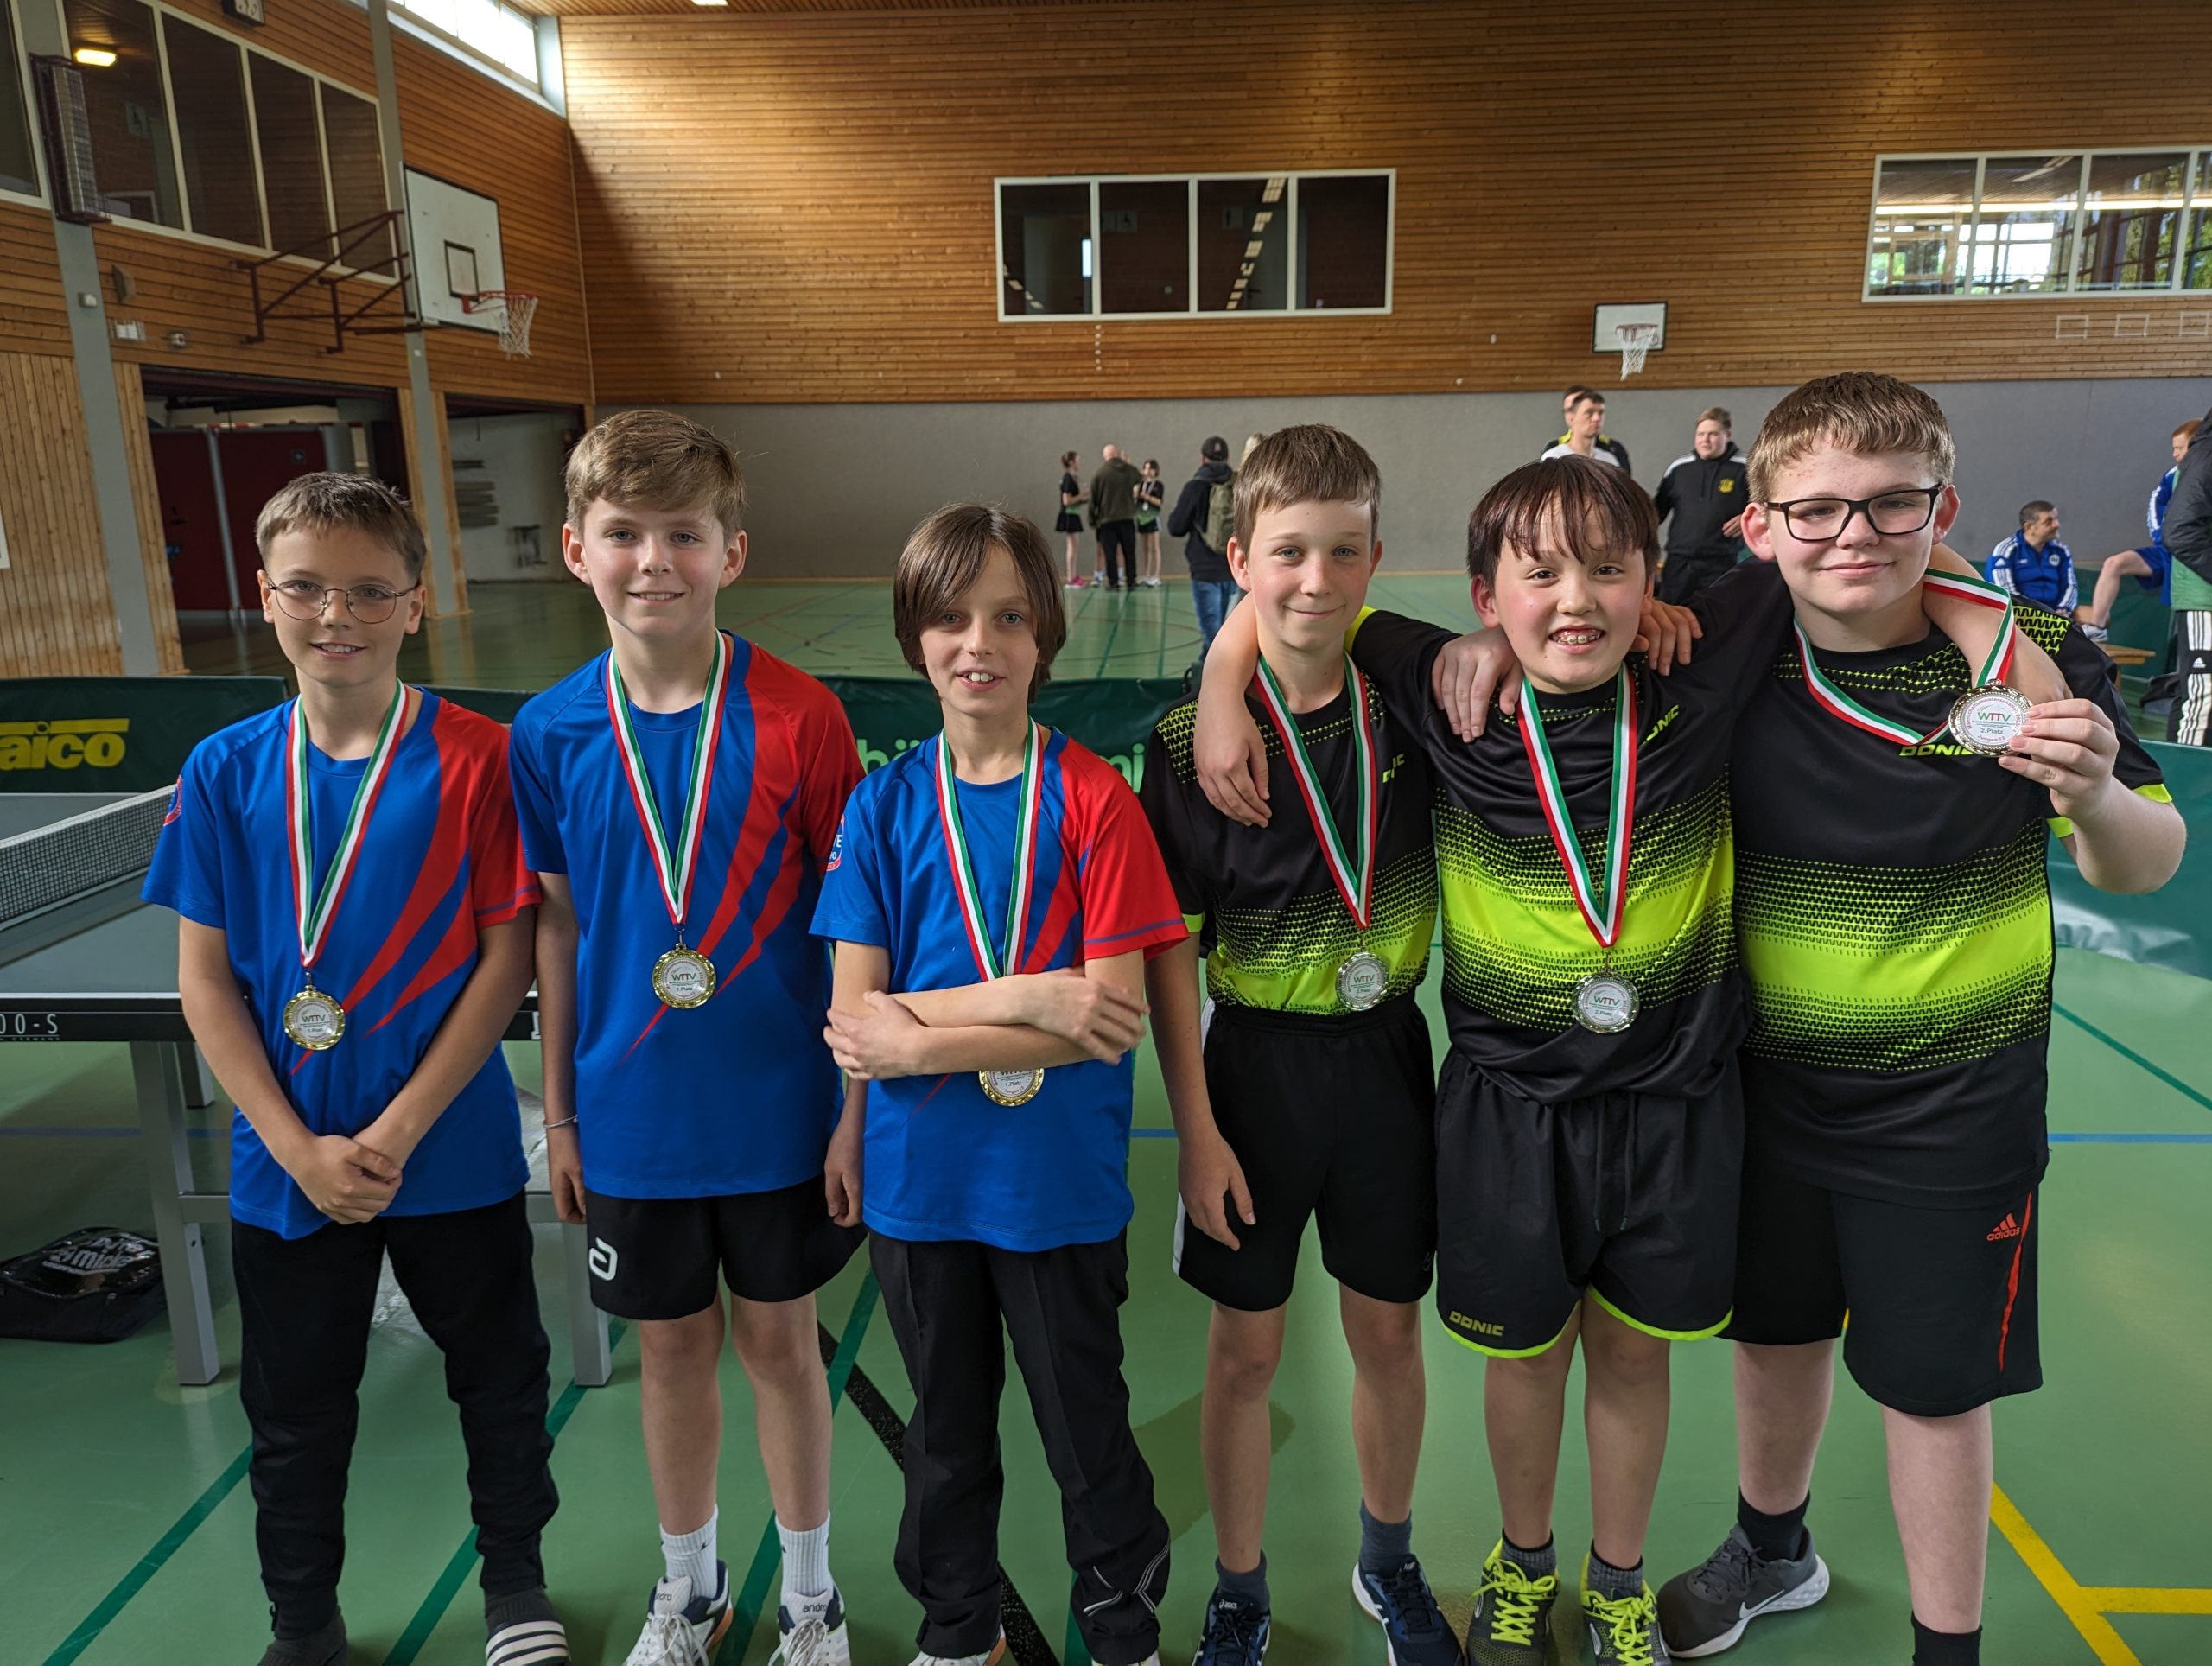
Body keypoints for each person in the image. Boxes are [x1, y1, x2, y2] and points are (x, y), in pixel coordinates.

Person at [1656, 372, 2183, 1666]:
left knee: (1935, 1390)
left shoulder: (2033, 657)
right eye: (1817, 508)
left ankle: (1947, 1649)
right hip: (1763, 1086)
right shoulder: (1729, 639)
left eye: (1893, 504)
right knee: (1774, 1336)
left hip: (1956, 1106)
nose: (1854, 534)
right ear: (1760, 523)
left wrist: (2096, 797)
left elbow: (2148, 860)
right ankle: (1771, 1549)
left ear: (1942, 509)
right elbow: (1558, 615)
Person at [145, 473, 564, 1666]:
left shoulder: (482, 760)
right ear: (265, 596)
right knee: (294, 1410)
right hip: (287, 1165)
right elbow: (205, 984)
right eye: (308, 588)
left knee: (499, 1382)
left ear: (416, 603)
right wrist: (301, 1150)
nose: (338, 613)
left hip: (451, 1150)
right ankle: (304, 1623)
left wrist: (397, 1132)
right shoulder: (223, 768)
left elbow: (506, 962)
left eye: (370, 591)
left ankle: (515, 1588)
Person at [509, 410, 865, 1666]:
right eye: (623, 533)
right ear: (575, 548)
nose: (653, 560)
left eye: (683, 534)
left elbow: (854, 928)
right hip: (630, 1116)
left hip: (779, 1108)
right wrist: (559, 1111)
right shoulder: (548, 731)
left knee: (780, 1345)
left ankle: (812, 1599)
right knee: (669, 1352)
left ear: (732, 551)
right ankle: (692, 1589)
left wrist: (853, 1108)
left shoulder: (803, 716)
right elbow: (557, 929)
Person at [812, 503, 1185, 1666]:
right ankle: (957, 1627)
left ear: (1045, 635)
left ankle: (1121, 1626)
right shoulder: (882, 807)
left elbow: (1104, 1022)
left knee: (1086, 1428)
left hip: (1054, 1182)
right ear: (914, 636)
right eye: (951, 617)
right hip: (919, 1183)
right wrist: (1028, 999)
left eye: (1009, 616)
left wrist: (918, 1035)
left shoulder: (1096, 801)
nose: (979, 642)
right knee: (945, 1432)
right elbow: (857, 1021)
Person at [1141, 426, 1459, 1666]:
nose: (1314, 580)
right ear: (1239, 560)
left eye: (1341, 552)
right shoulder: (1188, 742)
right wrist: (1195, 1131)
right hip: (1252, 1075)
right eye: (1286, 553)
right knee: (1246, 1350)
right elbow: (1171, 951)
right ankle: (1239, 1586)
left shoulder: (1420, 709)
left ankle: (1389, 1557)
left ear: (1375, 558)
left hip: (1387, 1063)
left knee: (1388, 1335)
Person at [2079, 419, 2198, 640]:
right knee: (2114, 563)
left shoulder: (2202, 477)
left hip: (2194, 557)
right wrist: (2162, 538)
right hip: (2168, 549)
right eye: (2173, 448)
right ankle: (2097, 626)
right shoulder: (2173, 475)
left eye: (2179, 448)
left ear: (2196, 446)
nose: (2174, 454)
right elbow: (2156, 503)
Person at [1651, 408, 1751, 604]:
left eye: (1713, 434)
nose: (1705, 440)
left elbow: (1767, 508)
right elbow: (1655, 514)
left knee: (1723, 616)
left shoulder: (1745, 467)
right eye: (1700, 434)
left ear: (1727, 435)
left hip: (1724, 561)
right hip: (1679, 562)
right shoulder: (1679, 468)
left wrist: (1746, 518)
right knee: (1671, 615)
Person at [2158, 407, 2212, 744]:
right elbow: (2179, 532)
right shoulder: (2204, 457)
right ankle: (2183, 774)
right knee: (2202, 692)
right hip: (2202, 597)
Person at [1168, 436, 1241, 658]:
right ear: (1227, 457)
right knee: (1229, 635)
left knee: (1214, 641)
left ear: (1202, 458)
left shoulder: (1195, 487)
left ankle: (1210, 678)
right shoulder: (1238, 485)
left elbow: (1176, 527)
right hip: (1234, 569)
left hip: (1204, 570)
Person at [1984, 500, 2075, 615]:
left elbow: (2070, 585)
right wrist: (2032, 615)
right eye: (2048, 522)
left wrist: (2064, 609)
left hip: (2056, 614)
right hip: (2021, 615)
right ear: (2029, 527)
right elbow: (2005, 592)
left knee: (2091, 615)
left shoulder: (2061, 550)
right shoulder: (2006, 550)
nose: (2056, 525)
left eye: (2056, 519)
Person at [1090, 443, 1146, 592]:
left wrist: (1092, 520)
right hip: (1127, 519)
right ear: (1117, 454)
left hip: (1107, 521)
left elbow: (1093, 499)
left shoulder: (1099, 473)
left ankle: (1113, 582)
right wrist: (1128, 463)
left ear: (1105, 456)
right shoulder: (1128, 470)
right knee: (1129, 552)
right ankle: (1131, 580)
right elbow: (1140, 478)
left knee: (1110, 553)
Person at [1545, 387, 1631, 473]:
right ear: (1571, 417)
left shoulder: (1610, 460)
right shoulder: (1554, 458)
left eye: (1601, 412)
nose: (1597, 418)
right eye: (1589, 412)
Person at [1057, 450, 1088, 588]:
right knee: (1072, 547)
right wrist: (1082, 495)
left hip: (1074, 514)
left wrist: (1083, 499)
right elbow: (1067, 501)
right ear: (1071, 462)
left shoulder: (1072, 477)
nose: (1079, 463)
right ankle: (1070, 578)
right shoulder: (1068, 478)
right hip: (1069, 516)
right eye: (1077, 460)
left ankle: (1073, 576)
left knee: (1074, 547)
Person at [1136, 458, 1166, 587]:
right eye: (1146, 468)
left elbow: (1159, 502)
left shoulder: (1158, 485)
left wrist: (1147, 497)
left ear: (1155, 470)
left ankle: (1156, 575)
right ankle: (1147, 574)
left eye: (1150, 468)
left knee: (1154, 547)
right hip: (1141, 518)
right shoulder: (1140, 485)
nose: (1148, 471)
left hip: (1153, 517)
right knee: (1145, 548)